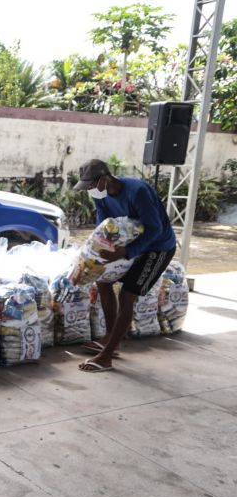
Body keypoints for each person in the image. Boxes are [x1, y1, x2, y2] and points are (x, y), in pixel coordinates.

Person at [73, 159, 176, 373]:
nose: (90, 191)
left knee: (128, 294)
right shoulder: (99, 195)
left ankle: (106, 356)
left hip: (157, 248)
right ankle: (112, 338)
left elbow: (154, 228)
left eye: (91, 186)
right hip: (128, 245)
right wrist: (102, 245)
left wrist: (127, 252)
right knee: (102, 281)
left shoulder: (137, 191)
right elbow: (104, 222)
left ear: (104, 179)